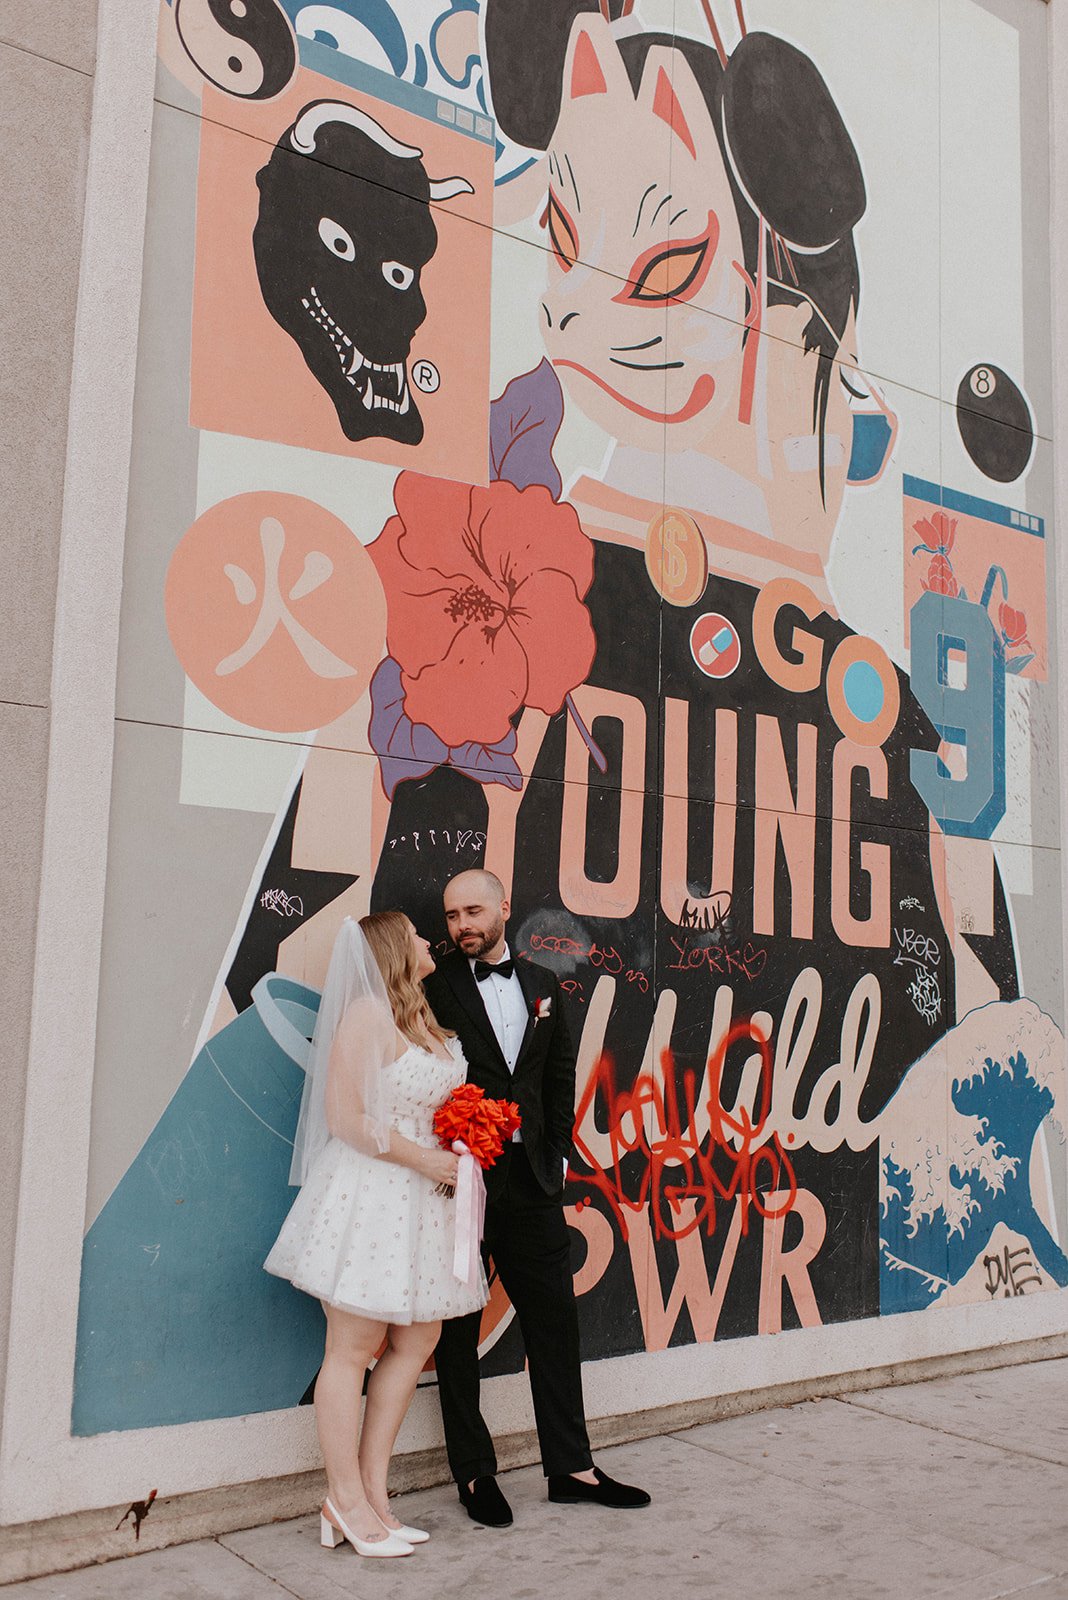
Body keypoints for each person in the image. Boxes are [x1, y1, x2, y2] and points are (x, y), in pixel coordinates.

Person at [424, 869, 650, 1526]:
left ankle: (571, 1467)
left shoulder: (543, 983)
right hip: (463, 1183)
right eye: (452, 916)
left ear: (503, 908)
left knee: (554, 1323)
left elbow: (558, 1072)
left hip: (533, 1180)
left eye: (473, 911)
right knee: (458, 1331)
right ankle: (473, 1474)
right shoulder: (433, 988)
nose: (462, 926)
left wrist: (553, 1153)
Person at [265, 912, 487, 1557]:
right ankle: (343, 1498)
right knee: (352, 1348)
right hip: (373, 1195)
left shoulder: (420, 1019)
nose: (426, 940)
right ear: (392, 948)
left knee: (418, 1340)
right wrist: (428, 1160)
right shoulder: (366, 1015)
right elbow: (344, 1116)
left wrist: (465, 1140)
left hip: (425, 1202)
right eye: (415, 934)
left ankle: (373, 1495)